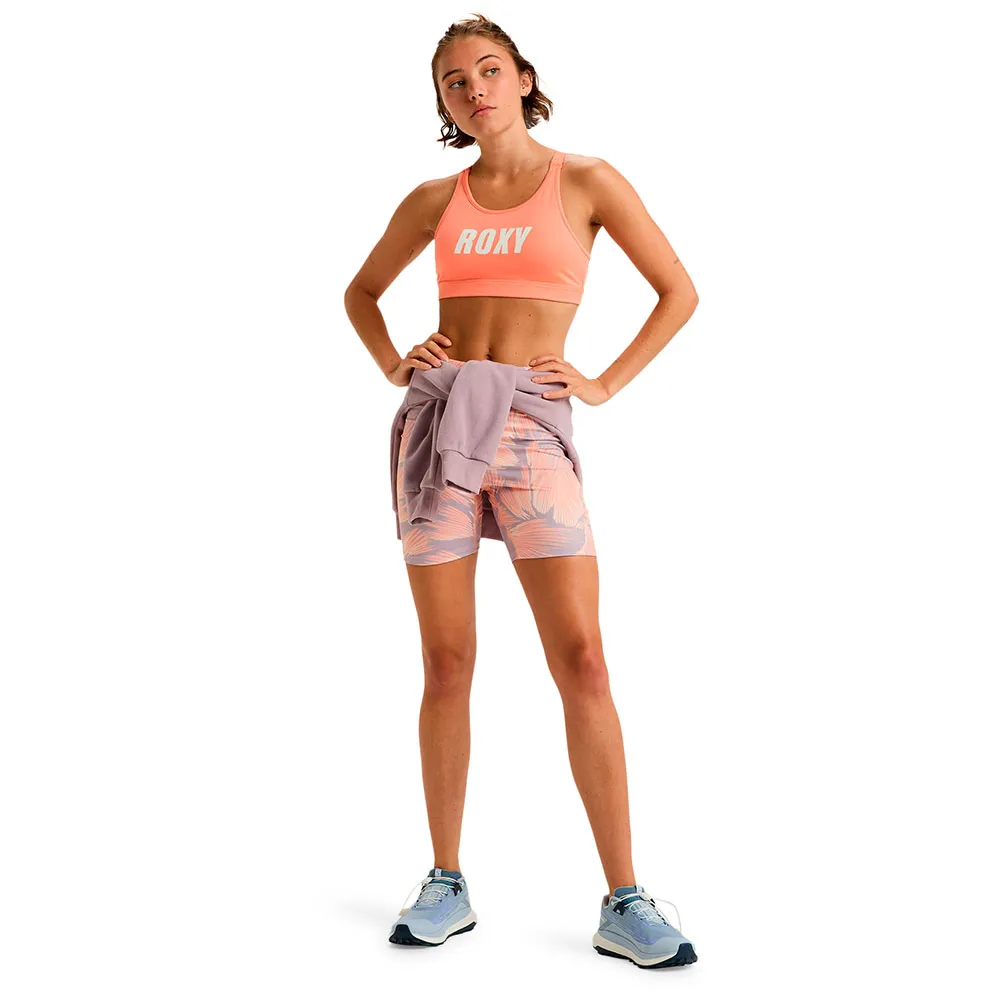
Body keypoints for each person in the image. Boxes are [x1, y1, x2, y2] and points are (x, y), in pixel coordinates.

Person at [344, 14, 699, 969]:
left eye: (489, 70)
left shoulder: (586, 181)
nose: (475, 89)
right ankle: (446, 880)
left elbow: (678, 290)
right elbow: (360, 293)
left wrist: (604, 382)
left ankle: (625, 897)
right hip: (440, 430)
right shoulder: (434, 198)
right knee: (447, 662)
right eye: (454, 82)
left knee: (583, 658)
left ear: (525, 77)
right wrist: (393, 361)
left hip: (534, 432)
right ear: (444, 104)